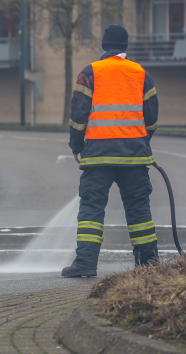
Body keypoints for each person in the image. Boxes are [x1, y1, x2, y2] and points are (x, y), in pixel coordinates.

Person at [62, 24, 159, 278]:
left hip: (98, 155)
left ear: (104, 46)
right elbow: (152, 116)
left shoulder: (90, 73)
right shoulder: (140, 73)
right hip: (135, 155)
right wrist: (141, 140)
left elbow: (78, 114)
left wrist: (76, 145)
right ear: (125, 46)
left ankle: (85, 262)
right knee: (139, 209)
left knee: (92, 209)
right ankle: (148, 263)